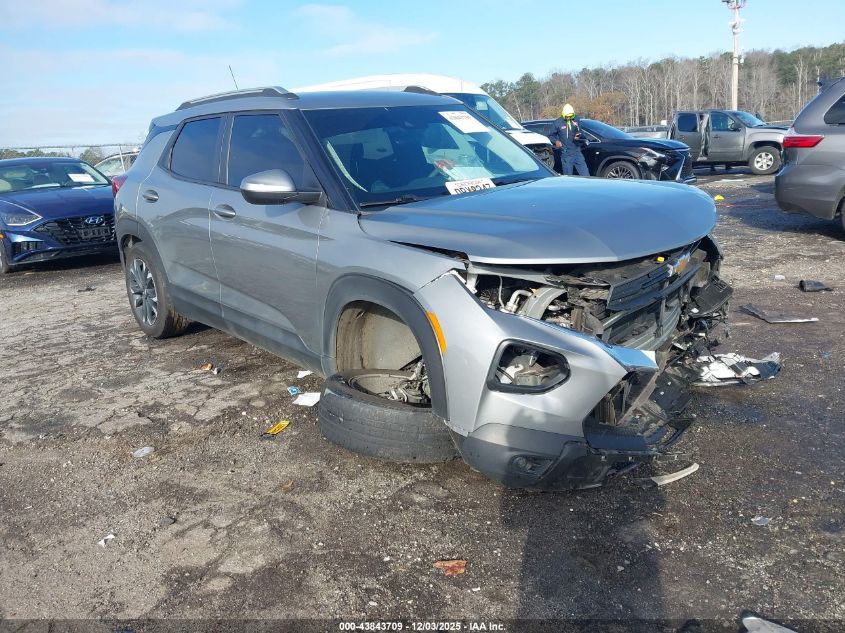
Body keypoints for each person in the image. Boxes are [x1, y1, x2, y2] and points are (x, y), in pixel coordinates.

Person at [549, 103, 589, 176]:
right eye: (567, 116)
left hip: (577, 151)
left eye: (571, 116)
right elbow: (551, 136)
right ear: (563, 115)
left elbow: (581, 133)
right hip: (566, 153)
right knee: (568, 177)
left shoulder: (576, 119)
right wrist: (556, 141)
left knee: (586, 175)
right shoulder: (558, 122)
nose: (569, 118)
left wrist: (579, 135)